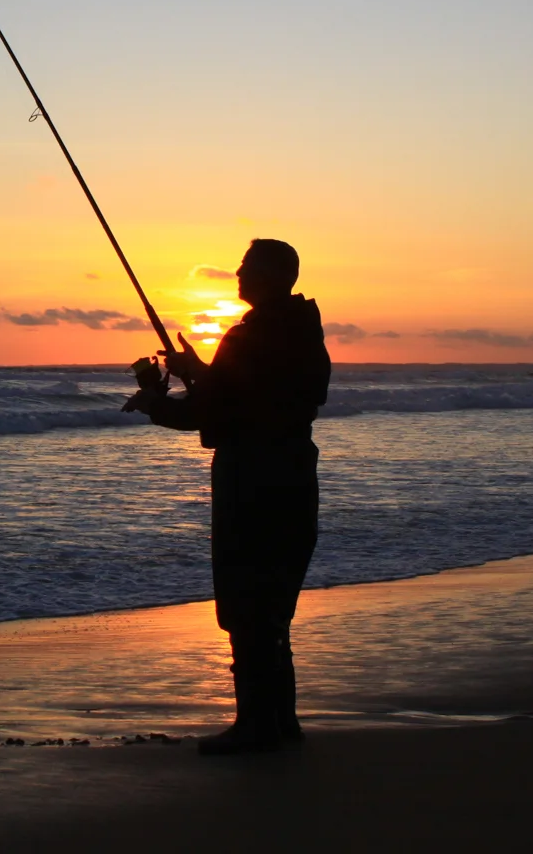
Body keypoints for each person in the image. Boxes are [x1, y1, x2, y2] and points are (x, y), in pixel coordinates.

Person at [124, 238, 331, 755]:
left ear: (269, 275)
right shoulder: (303, 331)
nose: (237, 273)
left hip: (252, 480)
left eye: (245, 266)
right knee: (273, 605)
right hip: (293, 475)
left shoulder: (252, 337)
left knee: (247, 605)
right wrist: (200, 375)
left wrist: (159, 400)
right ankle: (281, 721)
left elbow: (218, 412)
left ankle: (256, 727)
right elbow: (248, 397)